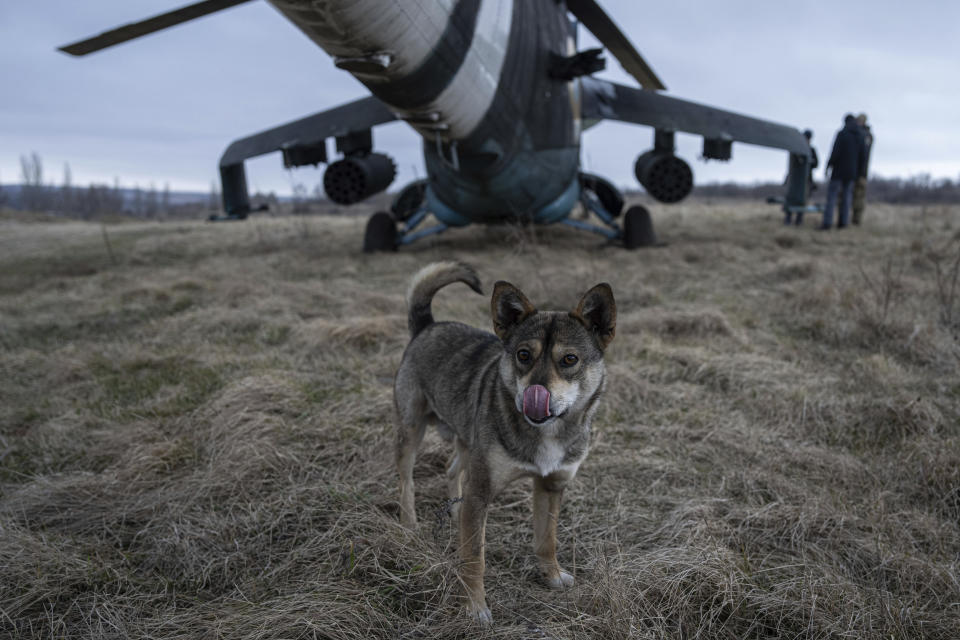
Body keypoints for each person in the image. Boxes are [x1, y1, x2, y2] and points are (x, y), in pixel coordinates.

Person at [820, 114, 866, 230]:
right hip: (852, 173)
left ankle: (827, 223)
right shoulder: (860, 135)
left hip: (838, 171)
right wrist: (860, 173)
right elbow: (863, 157)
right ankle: (843, 223)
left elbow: (835, 151)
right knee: (847, 197)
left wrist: (828, 166)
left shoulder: (842, 133)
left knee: (832, 197)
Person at [852, 113, 873, 225]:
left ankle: (857, 220)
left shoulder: (866, 136)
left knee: (859, 197)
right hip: (855, 172)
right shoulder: (861, 134)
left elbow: (864, 156)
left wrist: (862, 173)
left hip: (861, 173)